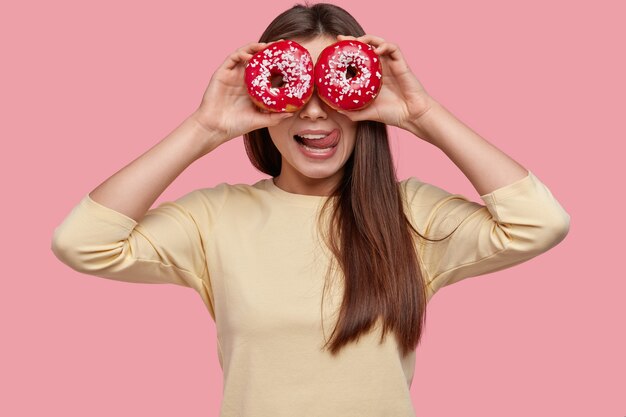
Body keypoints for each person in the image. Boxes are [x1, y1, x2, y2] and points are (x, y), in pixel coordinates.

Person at [51, 3, 570, 416]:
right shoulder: (216, 218)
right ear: (262, 103)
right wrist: (204, 128)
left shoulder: (411, 214)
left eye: (335, 86)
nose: (316, 110)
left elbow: (539, 223)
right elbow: (82, 242)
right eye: (292, 87)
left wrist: (421, 113)